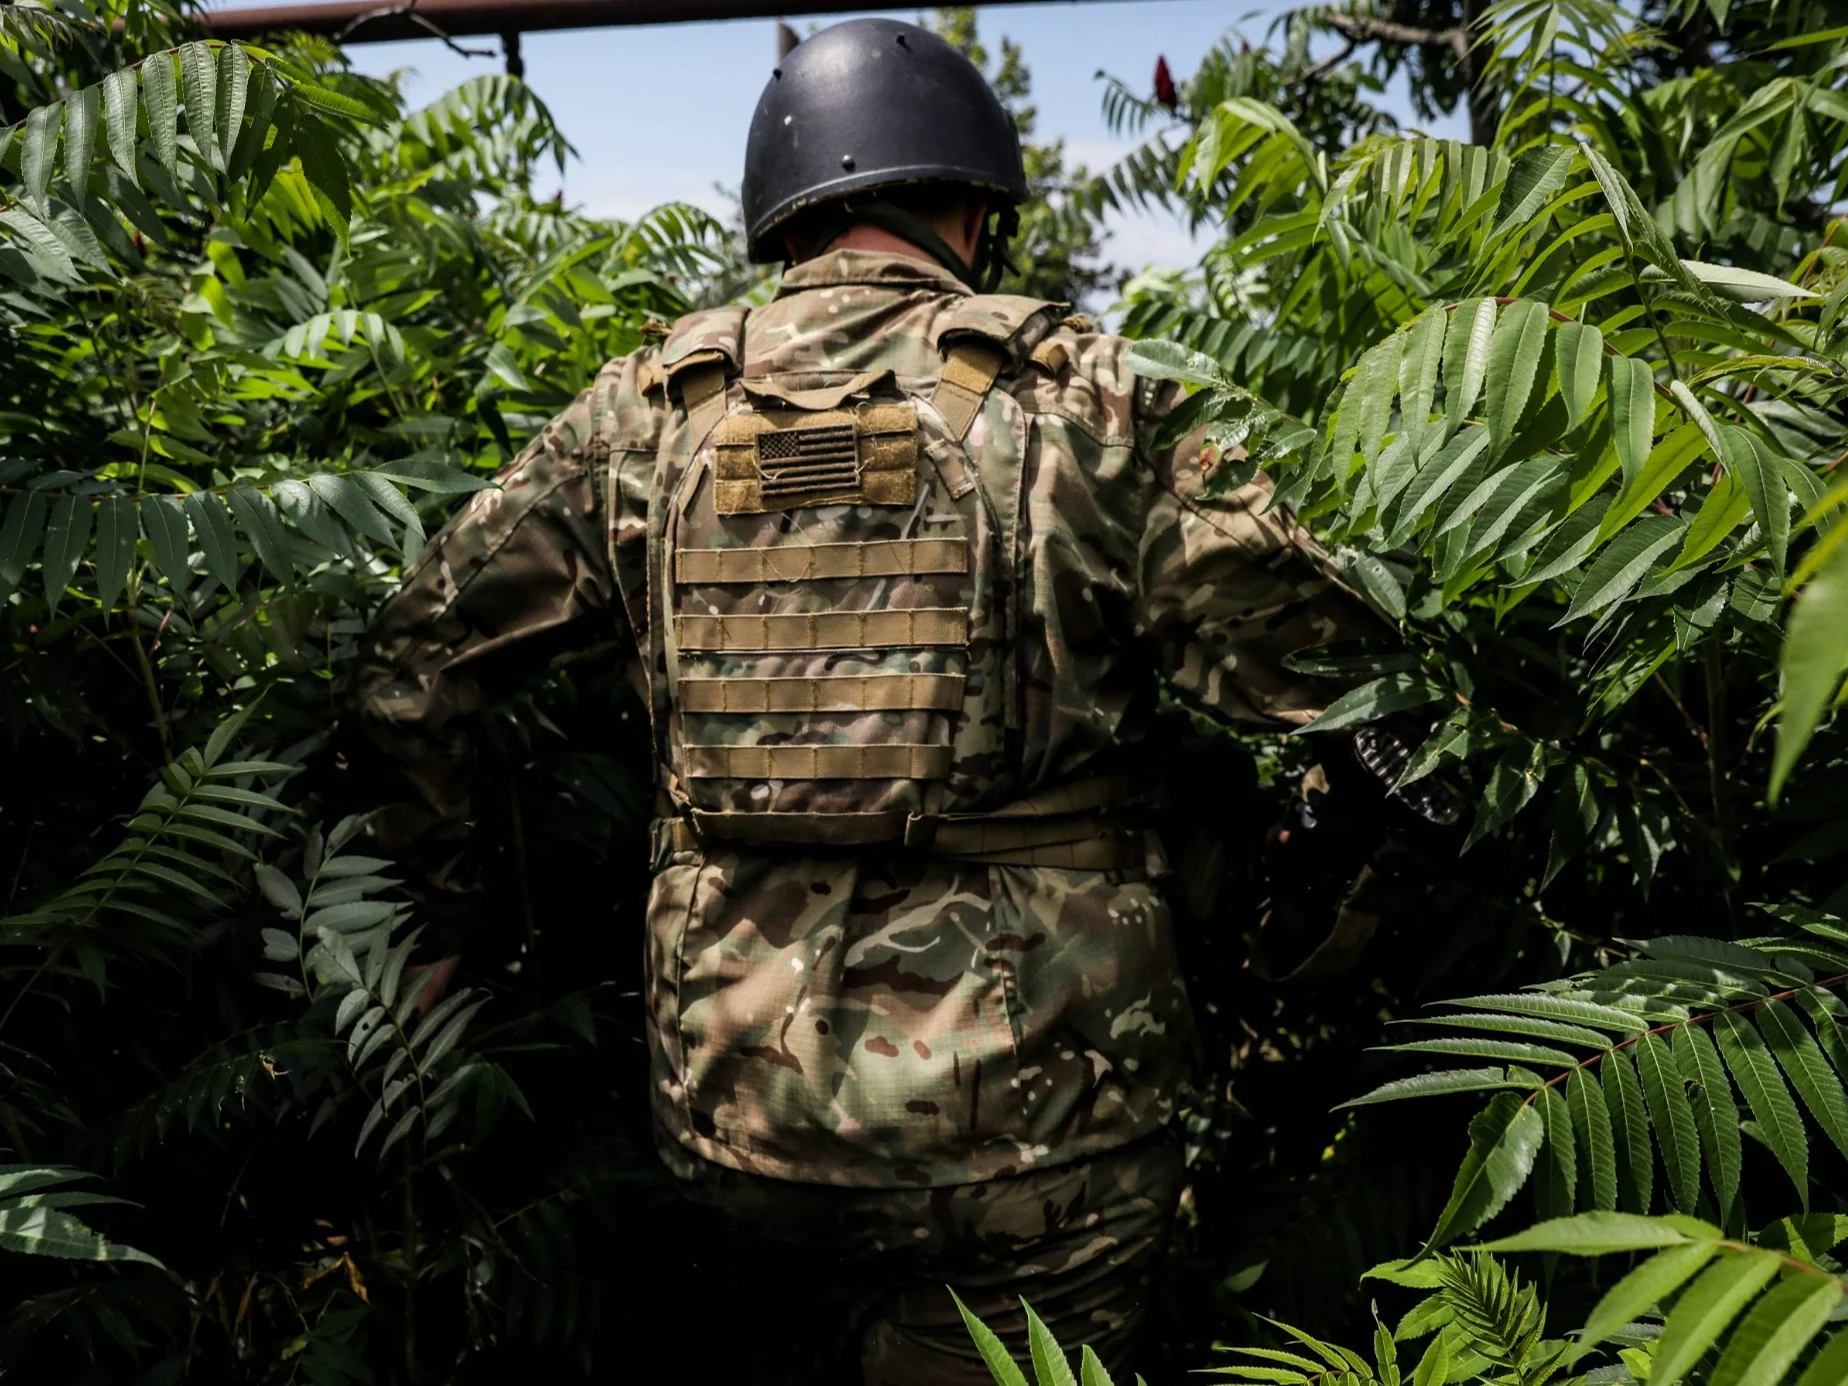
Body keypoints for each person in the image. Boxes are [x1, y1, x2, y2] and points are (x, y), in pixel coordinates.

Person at [354, 18, 1387, 1382]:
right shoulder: (1091, 399)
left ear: (787, 214)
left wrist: (445, 930)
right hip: (1046, 1129)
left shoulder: (647, 412)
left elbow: (417, 658)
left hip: (733, 1116)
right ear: (972, 206)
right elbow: (1341, 688)